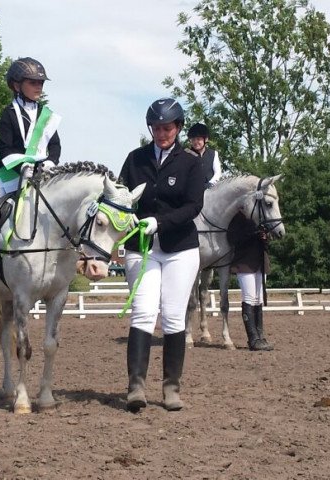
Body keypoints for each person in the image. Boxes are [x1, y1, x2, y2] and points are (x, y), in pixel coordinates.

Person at [119, 98, 204, 412]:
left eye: (167, 127)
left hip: (180, 249)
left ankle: (171, 388)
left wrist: (160, 221)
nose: (161, 133)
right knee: (142, 312)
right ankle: (136, 387)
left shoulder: (191, 163)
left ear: (178, 128)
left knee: (171, 316)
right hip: (141, 248)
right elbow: (121, 197)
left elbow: (194, 206)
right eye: (156, 128)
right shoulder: (135, 159)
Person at [0, 57, 62, 281]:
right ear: (16, 85)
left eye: (41, 83)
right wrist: (24, 167)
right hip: (11, 173)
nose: (38, 87)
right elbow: (6, 150)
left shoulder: (47, 117)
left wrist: (49, 163)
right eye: (33, 83)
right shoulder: (8, 115)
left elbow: (55, 146)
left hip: (43, 175)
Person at [227, 211, 273, 351]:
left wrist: (266, 236)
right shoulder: (237, 217)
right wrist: (254, 233)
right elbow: (233, 239)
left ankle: (260, 335)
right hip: (245, 262)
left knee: (258, 300)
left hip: (260, 261)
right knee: (249, 298)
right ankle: (253, 338)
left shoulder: (261, 216)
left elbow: (268, 239)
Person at [187, 122, 222, 188]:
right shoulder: (186, 154)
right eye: (193, 139)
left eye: (198, 139)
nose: (195, 142)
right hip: (193, 190)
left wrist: (210, 183)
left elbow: (218, 173)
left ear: (206, 139)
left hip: (212, 189)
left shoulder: (213, 154)